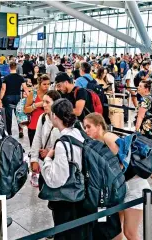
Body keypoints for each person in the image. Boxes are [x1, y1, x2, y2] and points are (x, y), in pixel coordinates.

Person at [39, 99, 91, 240]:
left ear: (55, 116)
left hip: (67, 200)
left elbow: (56, 180)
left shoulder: (63, 143)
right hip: (82, 194)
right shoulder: (78, 133)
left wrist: (48, 159)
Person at [82, 113, 122, 240]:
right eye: (85, 127)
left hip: (112, 191)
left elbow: (117, 165)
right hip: (107, 191)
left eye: (89, 127)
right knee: (108, 224)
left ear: (98, 126)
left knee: (114, 227)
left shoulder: (108, 138)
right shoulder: (97, 141)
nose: (86, 130)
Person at [29, 90, 61, 175]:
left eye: (47, 102)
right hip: (45, 162)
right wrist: (34, 159)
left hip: (59, 165)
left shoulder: (62, 120)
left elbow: (65, 144)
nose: (44, 105)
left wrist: (50, 152)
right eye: (43, 102)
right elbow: (37, 137)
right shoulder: (43, 117)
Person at [0, 61, 30, 137]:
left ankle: (9, 132)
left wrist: (0, 98)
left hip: (8, 98)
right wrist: (29, 96)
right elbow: (25, 88)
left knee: (8, 116)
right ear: (16, 68)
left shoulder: (6, 78)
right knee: (19, 114)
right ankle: (20, 130)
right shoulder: (20, 77)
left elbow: (3, 89)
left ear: (9, 68)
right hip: (17, 97)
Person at [24, 75, 51, 145]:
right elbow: (26, 110)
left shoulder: (51, 94)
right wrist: (36, 105)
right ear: (39, 84)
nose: (47, 86)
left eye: (48, 84)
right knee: (34, 150)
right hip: (34, 126)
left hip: (48, 126)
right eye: (44, 84)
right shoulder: (33, 94)